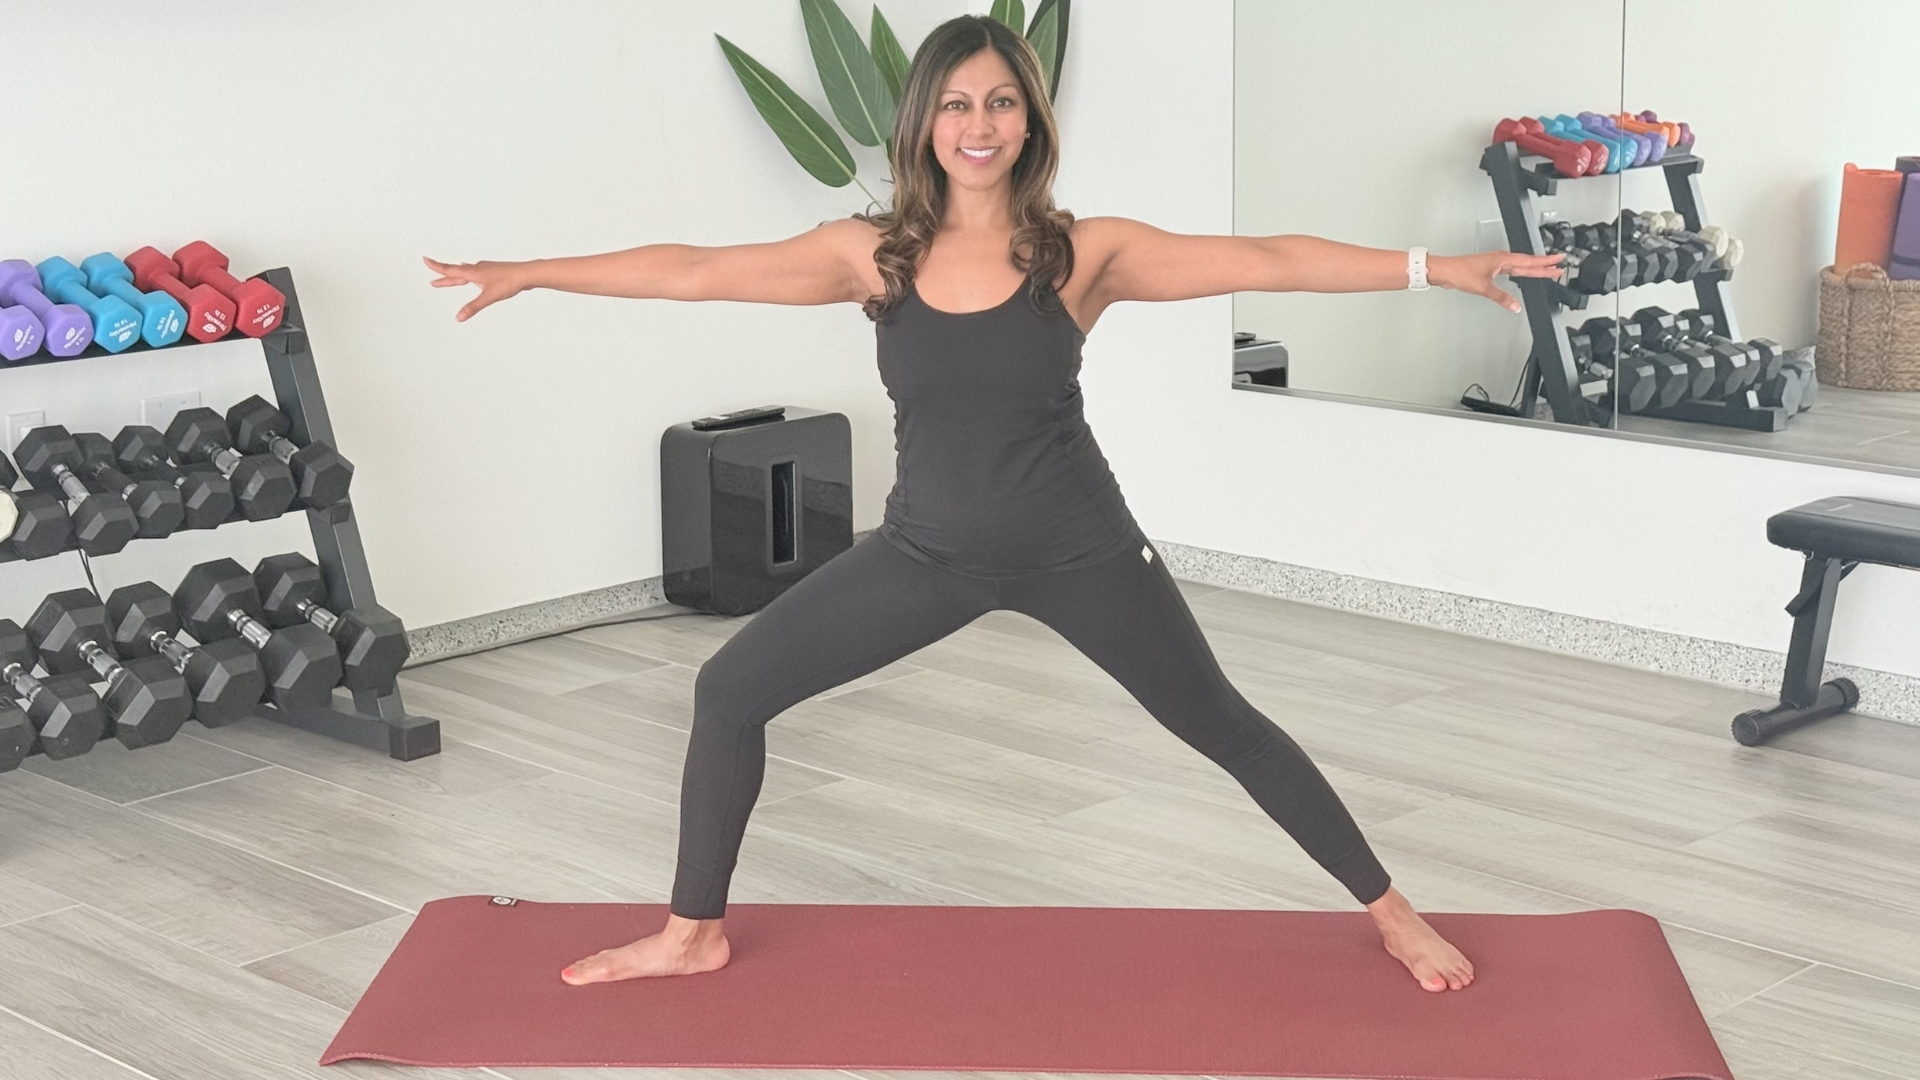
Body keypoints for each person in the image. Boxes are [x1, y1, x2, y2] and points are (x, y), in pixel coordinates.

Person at [424, 14, 1562, 995]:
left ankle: (1389, 908)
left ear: (1032, 121)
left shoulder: (1083, 253)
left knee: (1219, 722)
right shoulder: (869, 256)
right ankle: (692, 932)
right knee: (729, 690)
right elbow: (691, 269)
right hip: (926, 555)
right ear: (925, 120)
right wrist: (530, 270)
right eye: (959, 103)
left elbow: (1264, 256)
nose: (981, 124)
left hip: (1083, 550)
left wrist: (1437, 269)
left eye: (1004, 102)